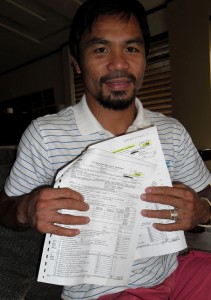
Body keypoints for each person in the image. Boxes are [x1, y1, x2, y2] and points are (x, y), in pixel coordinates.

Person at [1, 0, 211, 299]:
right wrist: (26, 208)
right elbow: (5, 207)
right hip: (104, 292)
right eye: (101, 49)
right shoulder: (45, 134)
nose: (119, 64)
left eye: (131, 48)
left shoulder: (171, 131)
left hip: (178, 272)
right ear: (76, 61)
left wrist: (203, 208)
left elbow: (206, 191)